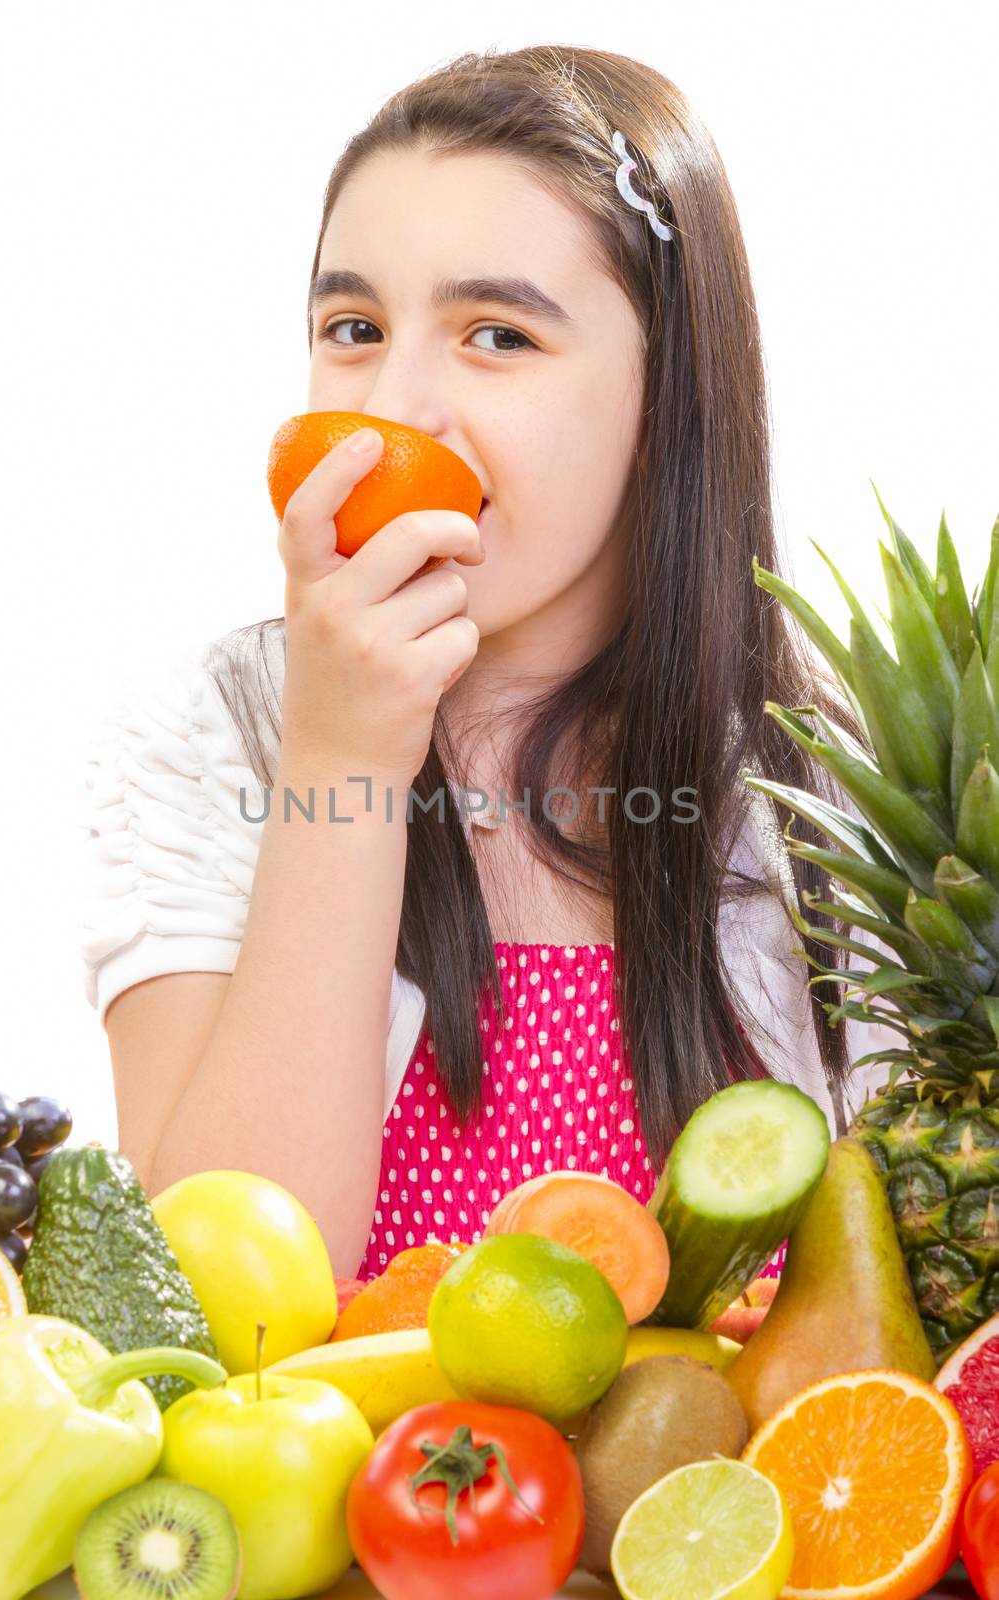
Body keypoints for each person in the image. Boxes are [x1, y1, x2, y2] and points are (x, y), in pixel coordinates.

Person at [79, 44, 902, 1280]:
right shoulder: (218, 737)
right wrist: (341, 759)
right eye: (352, 328)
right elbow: (218, 1306)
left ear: (660, 395)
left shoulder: (830, 791)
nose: (397, 411)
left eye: (497, 336)